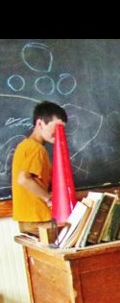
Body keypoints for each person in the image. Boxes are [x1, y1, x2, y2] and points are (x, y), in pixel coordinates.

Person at [12, 101, 67, 236]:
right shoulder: (35, 148)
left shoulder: (26, 145)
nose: (59, 133)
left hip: (28, 219)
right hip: (38, 219)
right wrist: (49, 199)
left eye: (62, 129)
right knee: (77, 229)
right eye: (56, 128)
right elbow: (24, 179)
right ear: (40, 123)